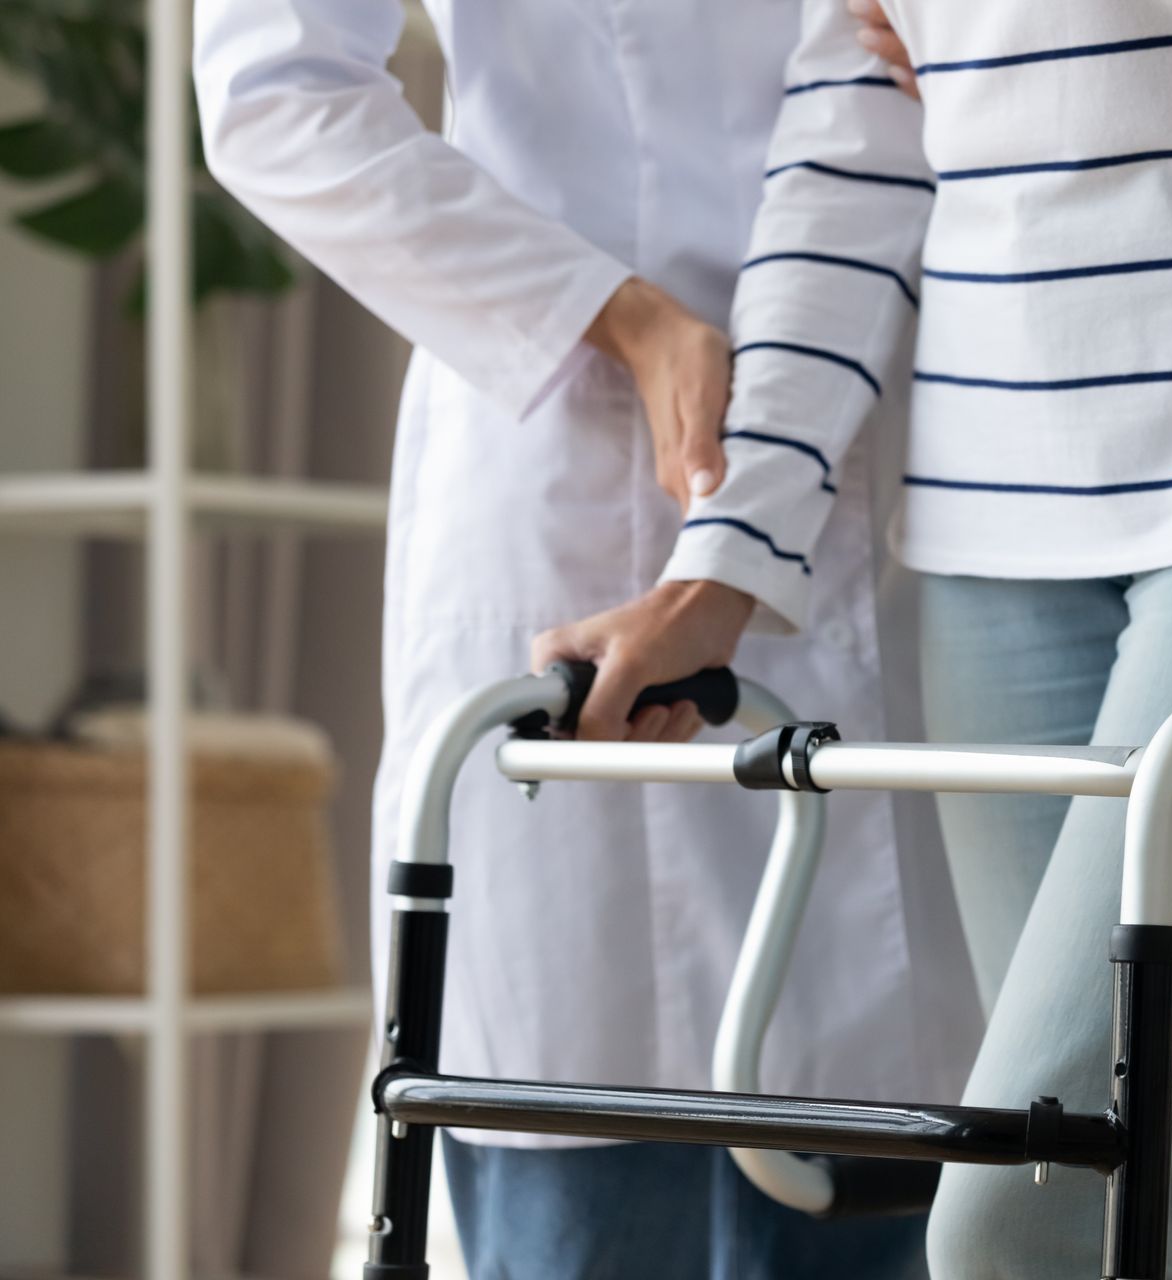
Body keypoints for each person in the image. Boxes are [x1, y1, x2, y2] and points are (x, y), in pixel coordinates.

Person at [538, 0, 1172, 1275]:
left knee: (1032, 1212)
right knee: (1147, 1184)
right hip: (990, 536)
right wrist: (722, 560)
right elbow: (848, 164)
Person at [191, 2, 982, 1276]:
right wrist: (615, 314)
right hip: (567, 438)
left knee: (882, 1156)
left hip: (885, 417)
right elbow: (270, 91)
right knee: (581, 1151)